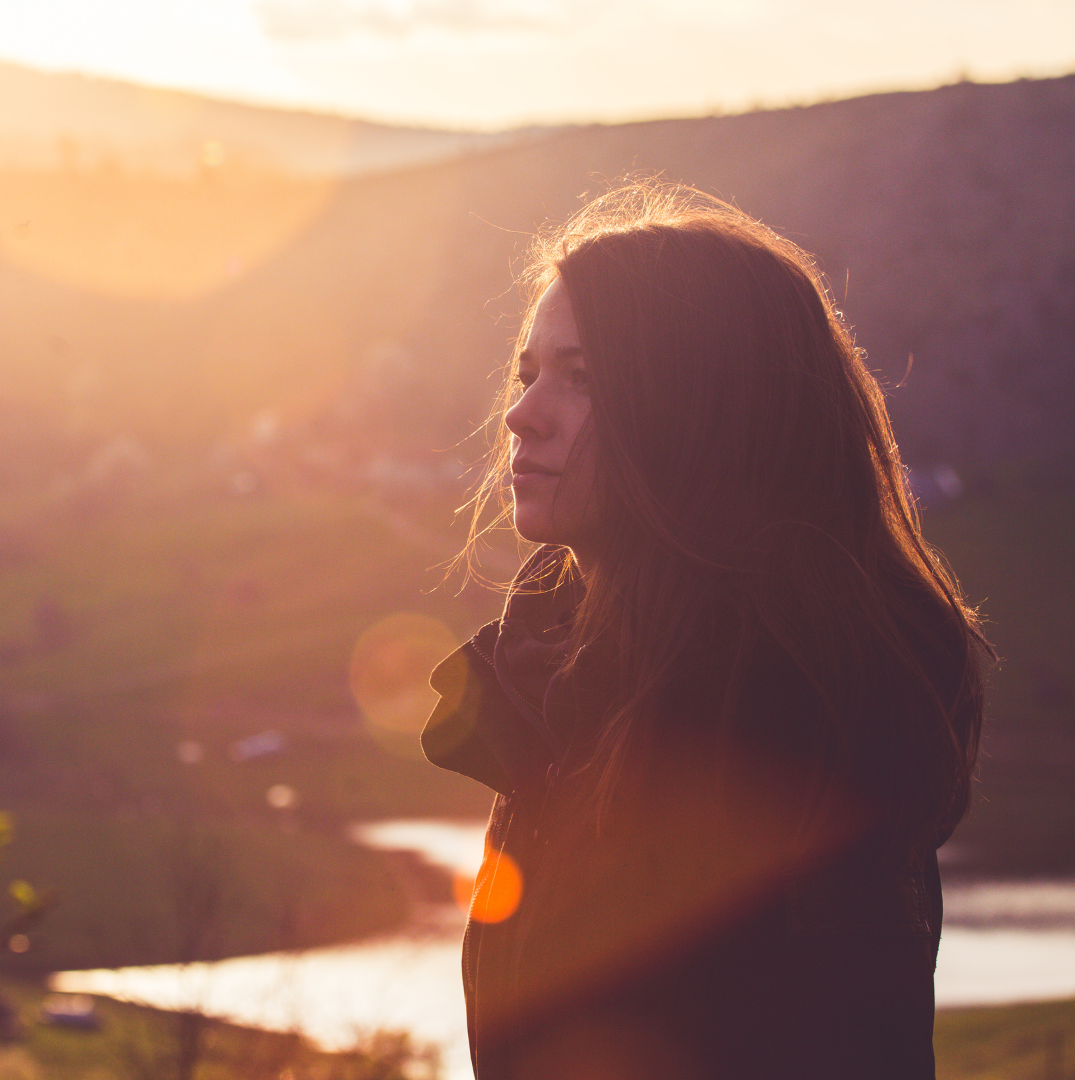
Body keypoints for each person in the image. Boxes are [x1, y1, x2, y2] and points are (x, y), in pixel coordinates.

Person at [422, 182, 989, 1079]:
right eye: (529, 371)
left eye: (583, 377)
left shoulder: (786, 737)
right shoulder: (567, 692)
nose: (521, 413)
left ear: (701, 411)